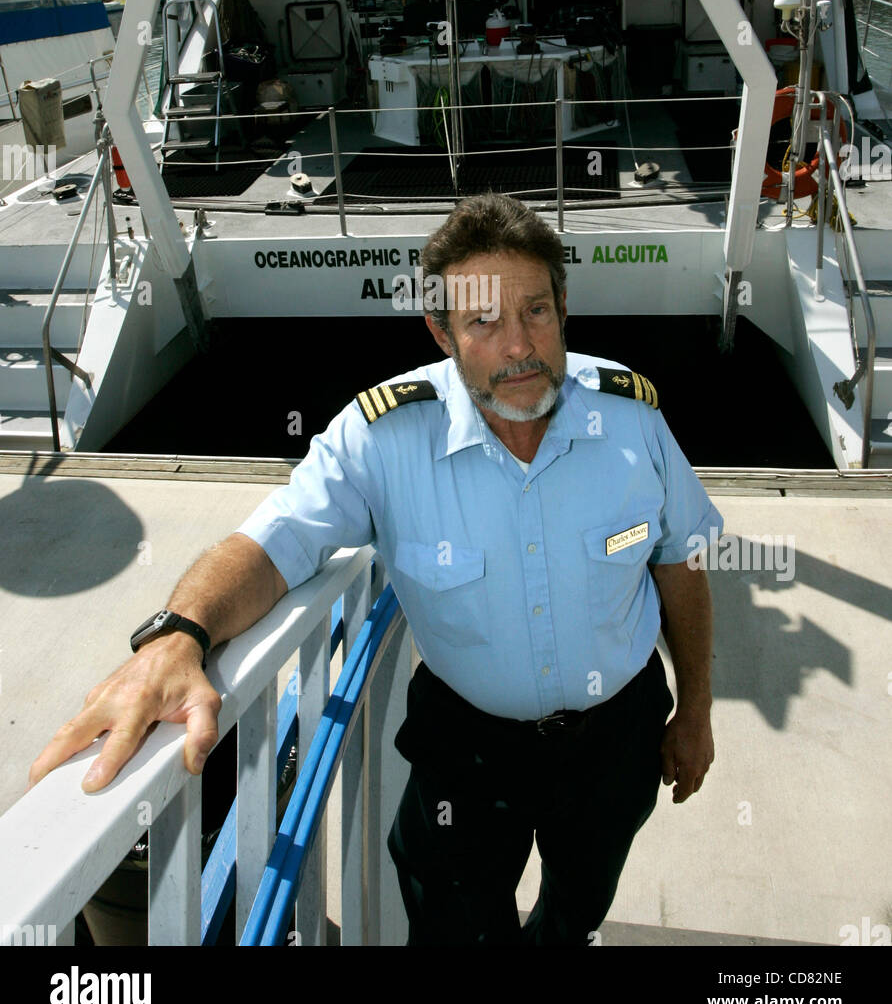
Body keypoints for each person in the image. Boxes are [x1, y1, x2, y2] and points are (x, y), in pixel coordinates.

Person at [30, 193, 721, 947]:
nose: (519, 347)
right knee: (453, 922)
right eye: (484, 322)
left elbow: (681, 563)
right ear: (442, 333)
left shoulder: (629, 418)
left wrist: (695, 710)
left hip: (616, 737)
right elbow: (275, 543)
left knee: (583, 898)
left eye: (536, 312)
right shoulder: (380, 437)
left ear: (564, 308)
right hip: (470, 746)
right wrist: (178, 633)